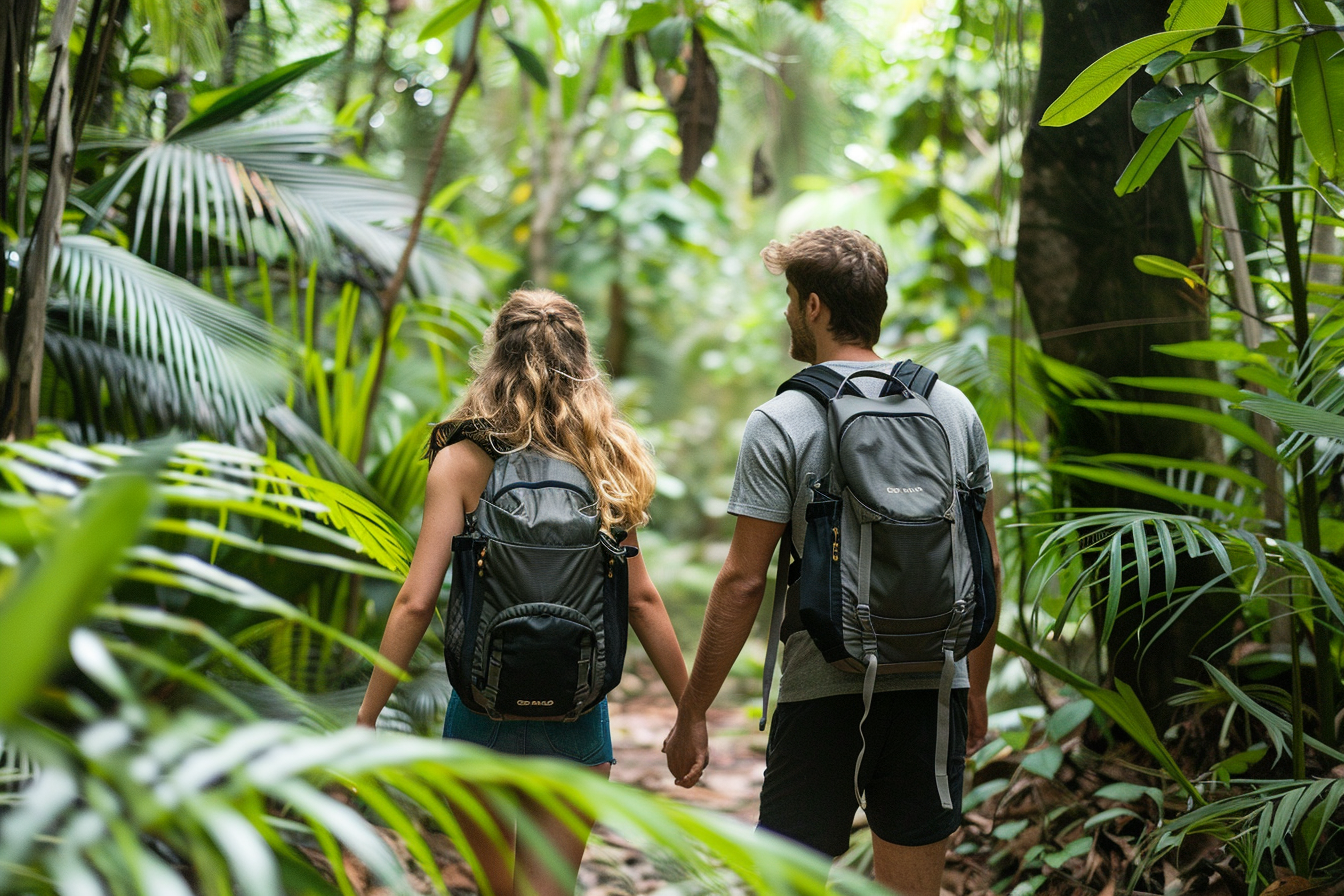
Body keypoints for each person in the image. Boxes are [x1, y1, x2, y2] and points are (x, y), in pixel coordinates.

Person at [663, 227, 1000, 896]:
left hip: (823, 684)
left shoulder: (783, 419)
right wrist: (975, 690)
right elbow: (984, 561)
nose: (787, 312)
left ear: (814, 306)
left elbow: (740, 581)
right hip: (935, 686)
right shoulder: (952, 408)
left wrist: (693, 710)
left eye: (790, 298)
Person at [357, 288, 688, 896]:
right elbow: (641, 600)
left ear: (495, 356)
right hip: (578, 712)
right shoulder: (605, 455)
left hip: (482, 708)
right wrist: (689, 714)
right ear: (583, 361)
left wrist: (367, 715)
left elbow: (416, 600)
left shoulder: (461, 457)